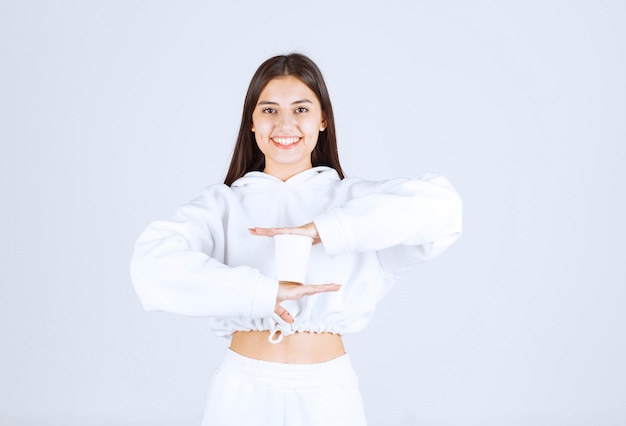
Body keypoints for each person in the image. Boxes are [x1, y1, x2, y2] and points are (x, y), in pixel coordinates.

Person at [130, 53, 462, 426]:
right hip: (242, 392)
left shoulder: (353, 203)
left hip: (326, 393)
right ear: (251, 123)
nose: (284, 124)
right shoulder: (221, 205)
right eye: (269, 110)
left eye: (300, 109)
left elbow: (444, 208)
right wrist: (261, 292)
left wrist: (327, 230)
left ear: (323, 119)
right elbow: (151, 265)